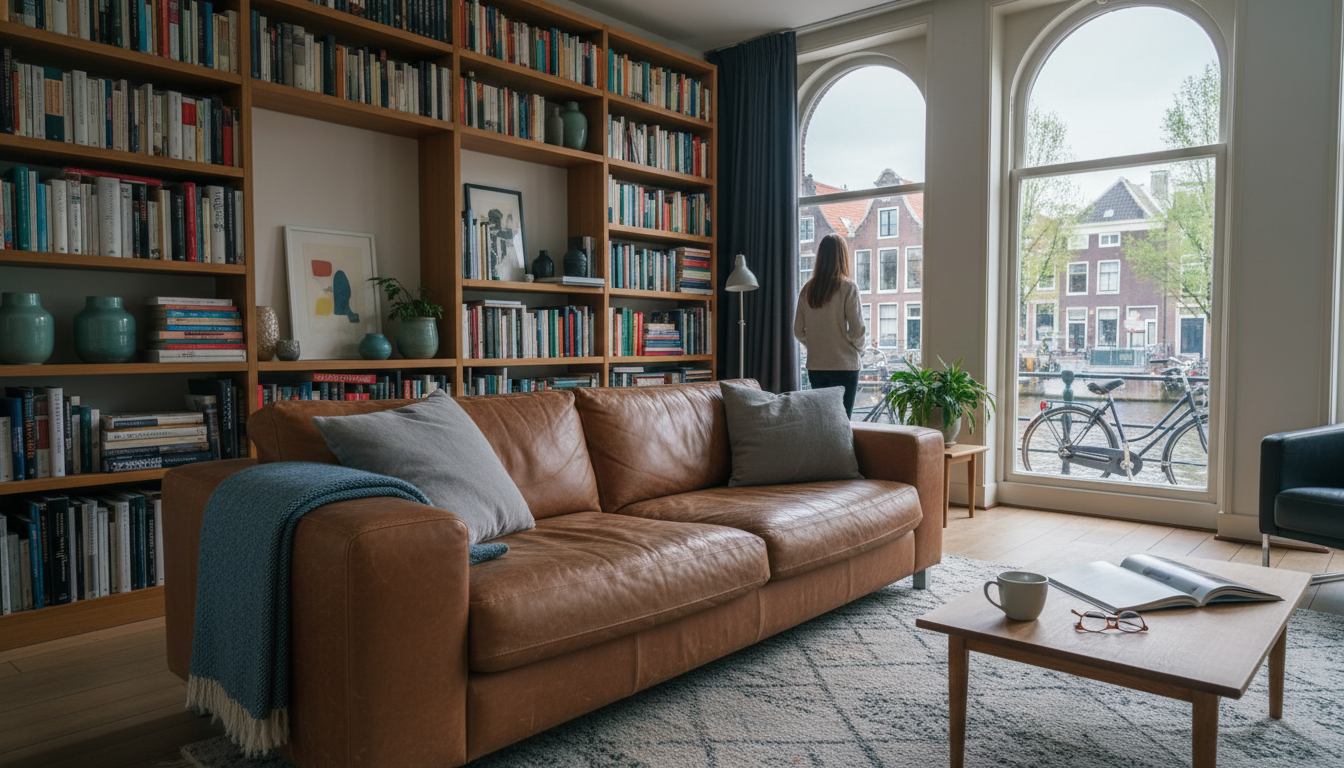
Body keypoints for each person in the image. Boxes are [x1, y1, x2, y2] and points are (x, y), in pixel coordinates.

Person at [794, 233, 866, 417]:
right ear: (842, 257)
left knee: (823, 423)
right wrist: (856, 349)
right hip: (845, 365)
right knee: (843, 423)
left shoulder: (807, 289)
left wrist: (817, 344)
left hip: (816, 366)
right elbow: (858, 330)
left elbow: (798, 331)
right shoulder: (848, 287)